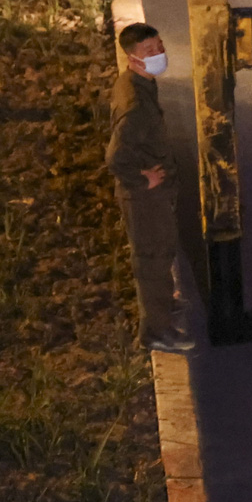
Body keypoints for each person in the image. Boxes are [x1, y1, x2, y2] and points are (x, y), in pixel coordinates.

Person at [105, 22, 192, 352]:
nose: (159, 54)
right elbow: (115, 158)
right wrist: (145, 179)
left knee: (161, 253)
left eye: (159, 46)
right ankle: (157, 331)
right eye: (150, 51)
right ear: (132, 58)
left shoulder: (138, 83)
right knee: (152, 262)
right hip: (144, 198)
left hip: (152, 194)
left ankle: (165, 309)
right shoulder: (135, 105)